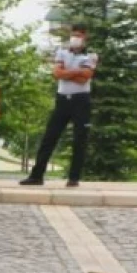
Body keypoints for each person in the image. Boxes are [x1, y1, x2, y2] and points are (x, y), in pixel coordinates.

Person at [21, 24, 97, 188]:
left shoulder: (90, 55)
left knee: (79, 139)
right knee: (49, 137)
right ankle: (36, 176)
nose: (75, 38)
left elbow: (85, 78)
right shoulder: (62, 52)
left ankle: (73, 178)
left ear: (85, 38)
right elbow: (56, 73)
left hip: (81, 100)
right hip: (62, 100)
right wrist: (76, 71)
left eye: (79, 36)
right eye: (74, 35)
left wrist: (66, 73)